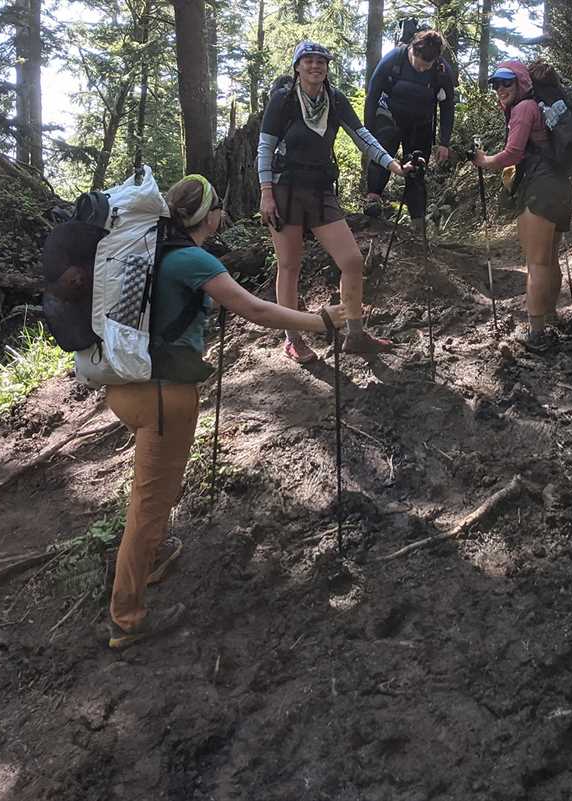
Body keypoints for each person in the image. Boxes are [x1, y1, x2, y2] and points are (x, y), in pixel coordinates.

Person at [106, 174, 349, 650]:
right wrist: (317, 322)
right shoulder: (191, 257)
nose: (222, 214)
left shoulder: (149, 249)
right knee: (149, 506)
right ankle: (126, 618)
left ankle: (151, 558)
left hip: (125, 387)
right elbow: (254, 310)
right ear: (207, 215)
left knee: (160, 487)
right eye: (218, 207)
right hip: (164, 397)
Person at [258, 40, 413, 364]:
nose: (316, 66)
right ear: (297, 66)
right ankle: (292, 338)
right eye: (309, 60)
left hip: (321, 189)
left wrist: (393, 165)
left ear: (327, 68)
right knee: (289, 265)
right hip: (285, 188)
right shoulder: (282, 101)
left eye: (321, 61)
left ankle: (354, 334)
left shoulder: (335, 99)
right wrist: (266, 192)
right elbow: (264, 148)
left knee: (352, 260)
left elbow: (362, 137)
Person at [470, 60, 572, 352]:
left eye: (507, 83)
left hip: (540, 189)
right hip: (561, 187)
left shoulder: (523, 109)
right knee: (550, 258)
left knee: (537, 263)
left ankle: (536, 331)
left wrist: (485, 161)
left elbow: (513, 152)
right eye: (495, 84)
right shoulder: (539, 107)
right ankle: (551, 317)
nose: (500, 89)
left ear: (521, 82)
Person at [362, 29, 456, 233]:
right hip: (389, 115)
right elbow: (372, 94)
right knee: (383, 150)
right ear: (412, 50)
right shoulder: (395, 58)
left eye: (426, 66)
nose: (421, 69)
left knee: (417, 167)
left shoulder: (441, 71)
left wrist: (444, 142)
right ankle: (373, 199)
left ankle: (418, 224)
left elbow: (448, 106)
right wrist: (367, 134)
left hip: (421, 122)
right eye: (418, 62)